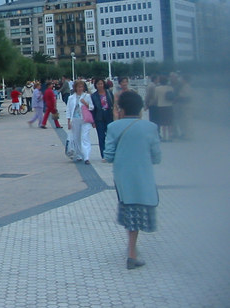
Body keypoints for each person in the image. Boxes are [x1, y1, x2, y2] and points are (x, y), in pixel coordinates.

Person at [103, 90, 161, 270]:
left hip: (122, 177)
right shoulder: (151, 127)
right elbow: (157, 157)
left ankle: (131, 248)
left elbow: (108, 155)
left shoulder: (114, 127)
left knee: (129, 208)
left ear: (121, 108)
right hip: (143, 175)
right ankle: (132, 254)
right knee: (138, 209)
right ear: (140, 108)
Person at [66, 80, 94, 164]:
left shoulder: (87, 96)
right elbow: (68, 110)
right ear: (75, 88)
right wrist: (68, 121)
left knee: (85, 137)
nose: (80, 88)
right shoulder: (71, 98)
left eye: (81, 87)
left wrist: (85, 103)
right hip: (75, 119)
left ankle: (86, 156)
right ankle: (79, 155)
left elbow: (92, 107)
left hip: (85, 120)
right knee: (76, 138)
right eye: (78, 87)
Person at [90, 77, 114, 161]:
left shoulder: (109, 93)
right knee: (101, 136)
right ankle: (103, 155)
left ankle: (110, 153)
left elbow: (113, 104)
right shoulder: (93, 96)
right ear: (95, 85)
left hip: (109, 115)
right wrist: (93, 121)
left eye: (101, 83)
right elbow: (92, 109)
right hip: (99, 117)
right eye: (98, 84)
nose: (100, 85)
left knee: (110, 136)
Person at [154, 75, 174, 141]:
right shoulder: (171, 88)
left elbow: (155, 98)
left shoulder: (157, 89)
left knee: (163, 123)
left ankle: (165, 137)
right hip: (169, 106)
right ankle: (170, 136)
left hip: (161, 106)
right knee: (169, 122)